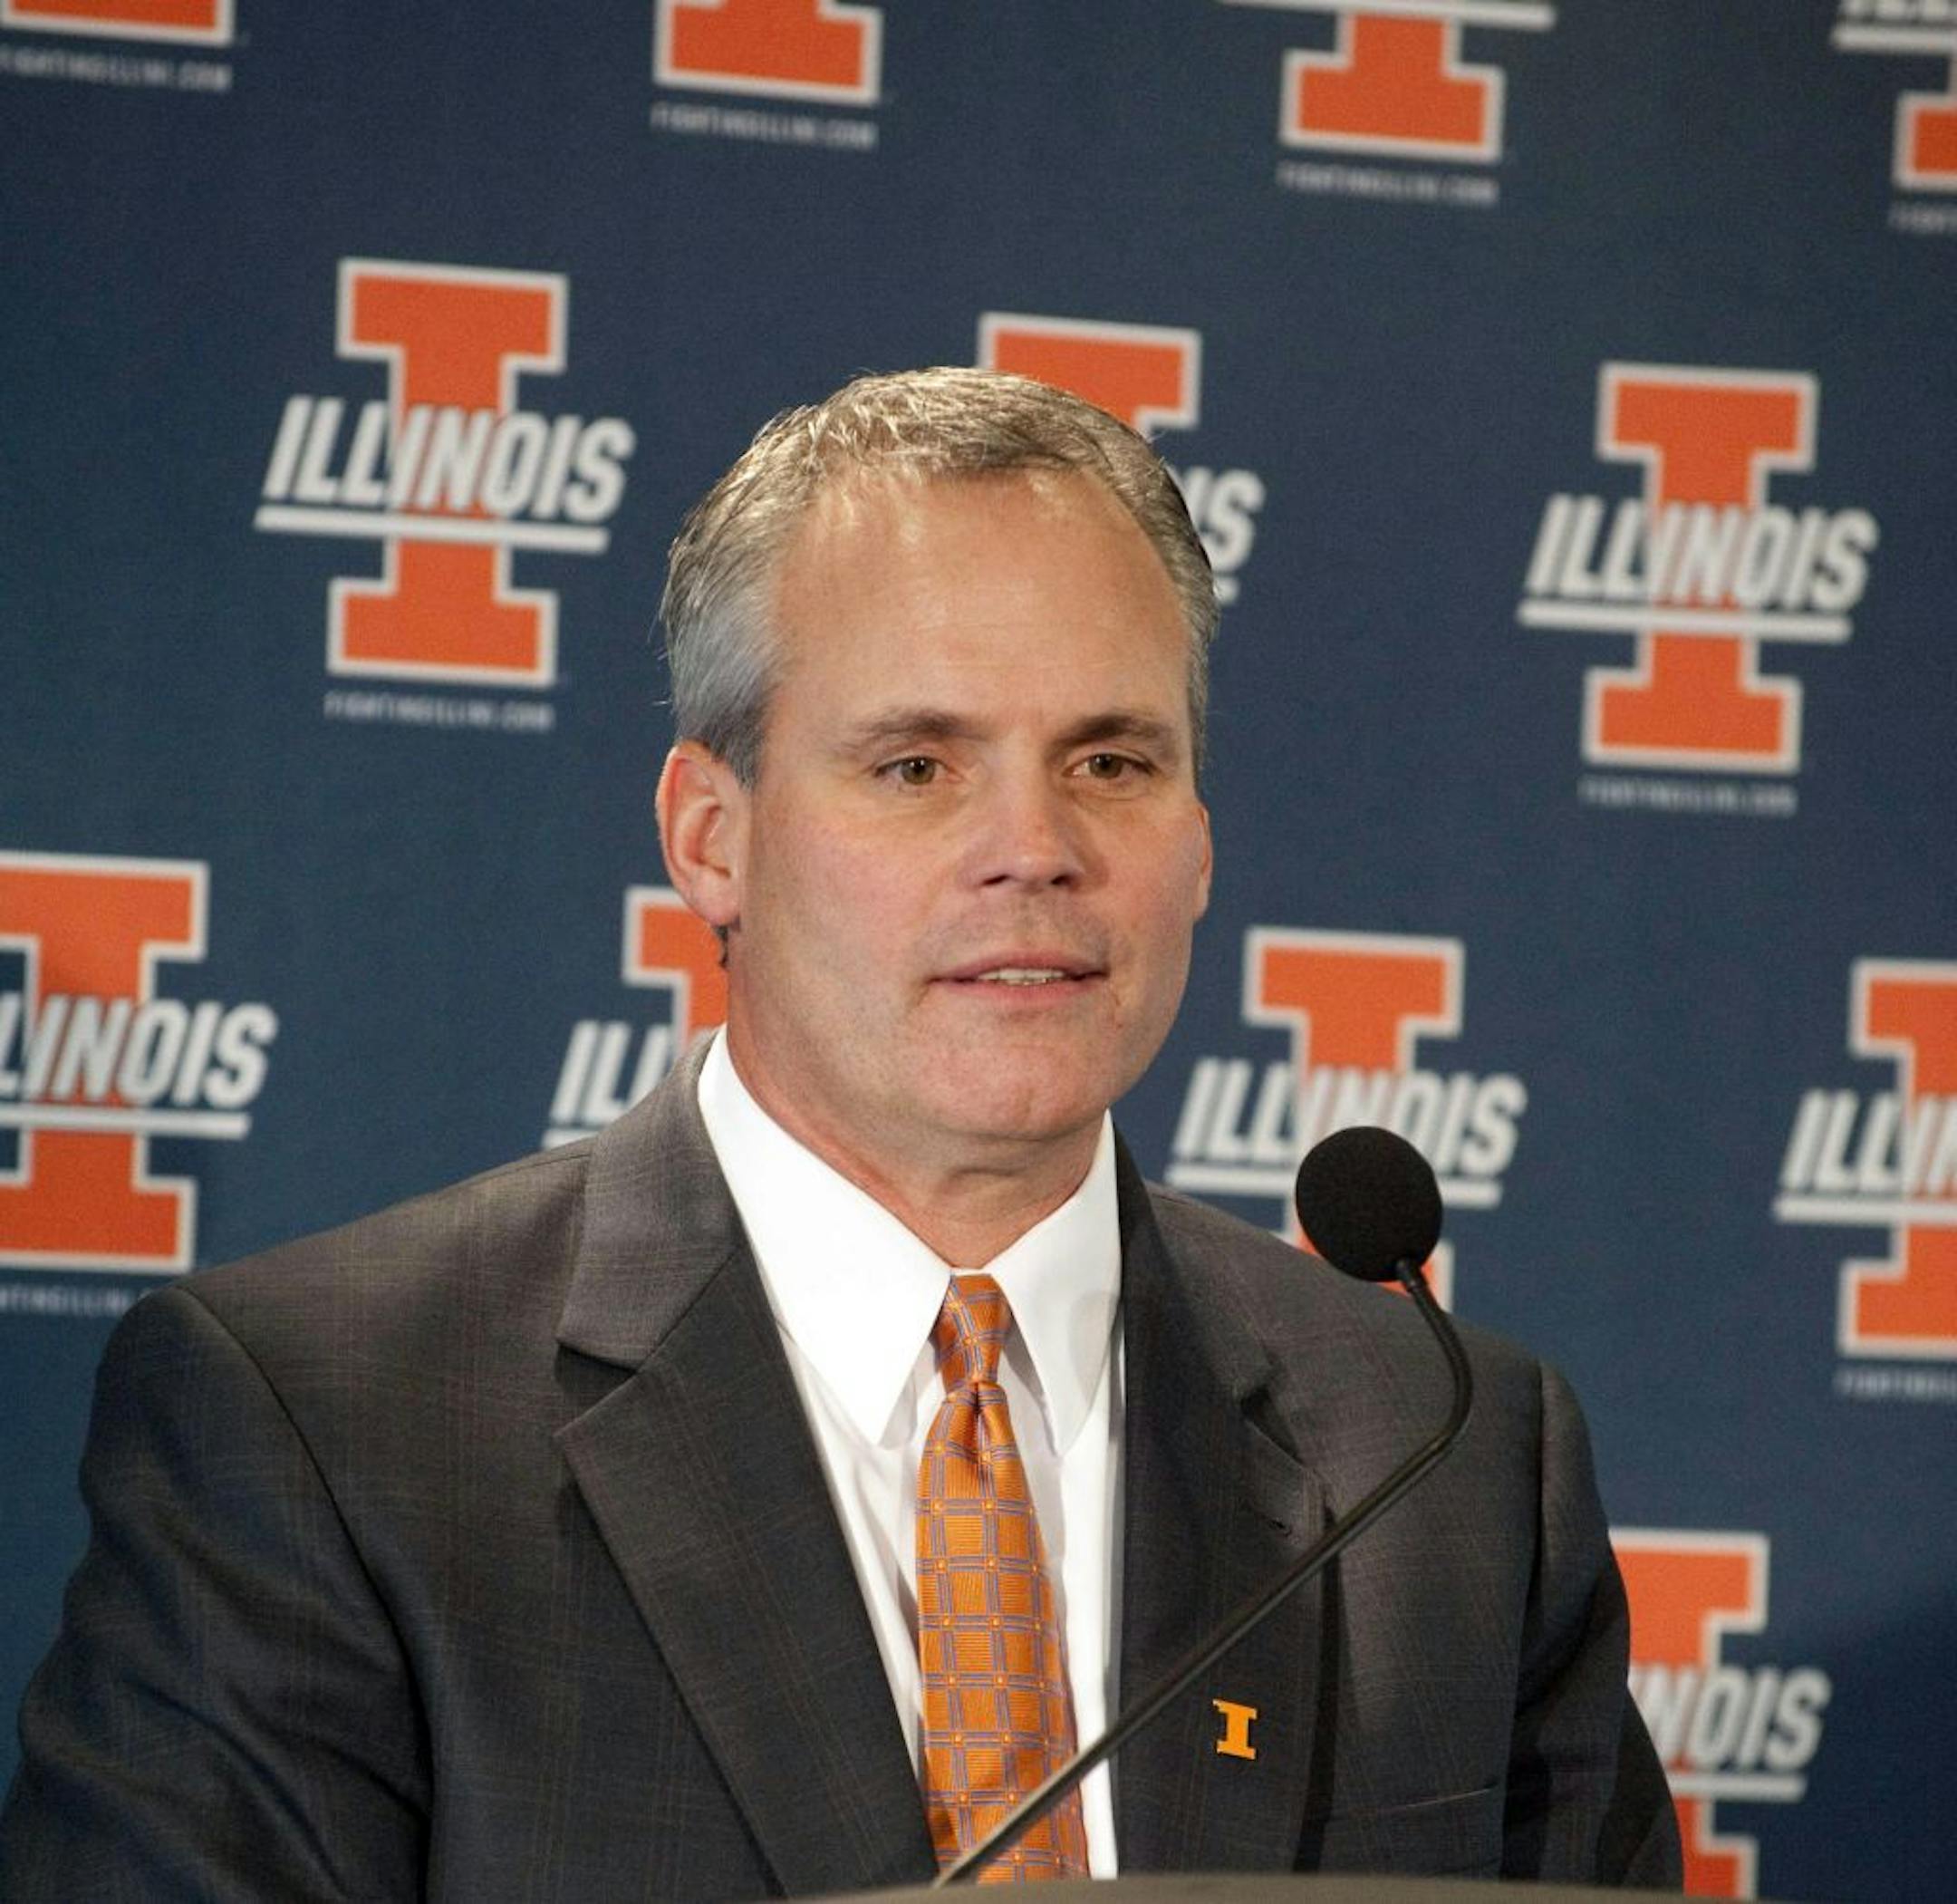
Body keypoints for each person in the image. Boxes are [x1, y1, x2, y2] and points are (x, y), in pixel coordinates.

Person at [0, 367, 1681, 1898]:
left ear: (1199, 840)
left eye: (1110, 758)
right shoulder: (330, 1424)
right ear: (712, 838)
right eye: (916, 766)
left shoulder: (1447, 1455)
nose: (1034, 847)